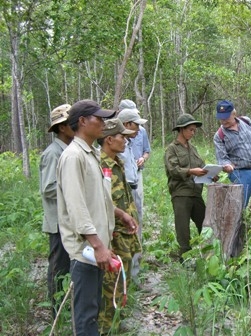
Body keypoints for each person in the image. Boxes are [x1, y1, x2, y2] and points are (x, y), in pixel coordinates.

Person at [57, 99, 136, 335]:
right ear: (82, 121)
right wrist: (98, 244)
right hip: (85, 251)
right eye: (98, 118)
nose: (103, 123)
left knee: (94, 308)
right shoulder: (73, 157)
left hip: (96, 247)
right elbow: (77, 206)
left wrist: (118, 217)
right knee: (86, 316)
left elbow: (99, 200)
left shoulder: (90, 154)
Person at [97, 119, 142, 333]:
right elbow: (100, 201)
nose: (125, 141)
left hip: (126, 230)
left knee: (123, 277)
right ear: (108, 139)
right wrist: (122, 215)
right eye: (121, 137)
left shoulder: (118, 162)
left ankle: (117, 318)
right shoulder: (99, 163)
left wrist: (130, 216)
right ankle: (106, 326)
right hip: (112, 232)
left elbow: (123, 196)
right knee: (111, 281)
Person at [39, 103, 74, 317]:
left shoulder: (67, 150)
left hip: (69, 220)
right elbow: (48, 188)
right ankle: (56, 311)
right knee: (58, 267)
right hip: (58, 222)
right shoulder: (53, 154)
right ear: (61, 127)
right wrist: (73, 188)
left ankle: (64, 305)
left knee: (68, 267)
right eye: (71, 122)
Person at [213, 100, 251, 209]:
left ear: (234, 114)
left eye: (226, 117)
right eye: (221, 118)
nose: (223, 120)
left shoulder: (247, 122)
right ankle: (240, 226)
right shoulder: (219, 136)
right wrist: (227, 166)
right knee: (239, 208)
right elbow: (222, 159)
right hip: (240, 175)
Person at [164, 114, 207, 261]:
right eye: (190, 130)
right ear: (181, 129)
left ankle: (209, 255)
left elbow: (201, 166)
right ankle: (185, 260)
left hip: (196, 192)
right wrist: (190, 171)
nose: (193, 133)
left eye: (195, 130)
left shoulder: (193, 149)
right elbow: (173, 170)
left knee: (205, 225)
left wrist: (210, 173)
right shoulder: (172, 149)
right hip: (181, 193)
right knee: (183, 229)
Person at [117, 107, 148, 283]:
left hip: (133, 190)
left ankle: (134, 274)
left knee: (136, 228)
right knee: (126, 231)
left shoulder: (128, 144)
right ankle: (126, 277)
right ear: (127, 124)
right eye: (136, 125)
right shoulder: (116, 144)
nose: (138, 130)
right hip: (123, 193)